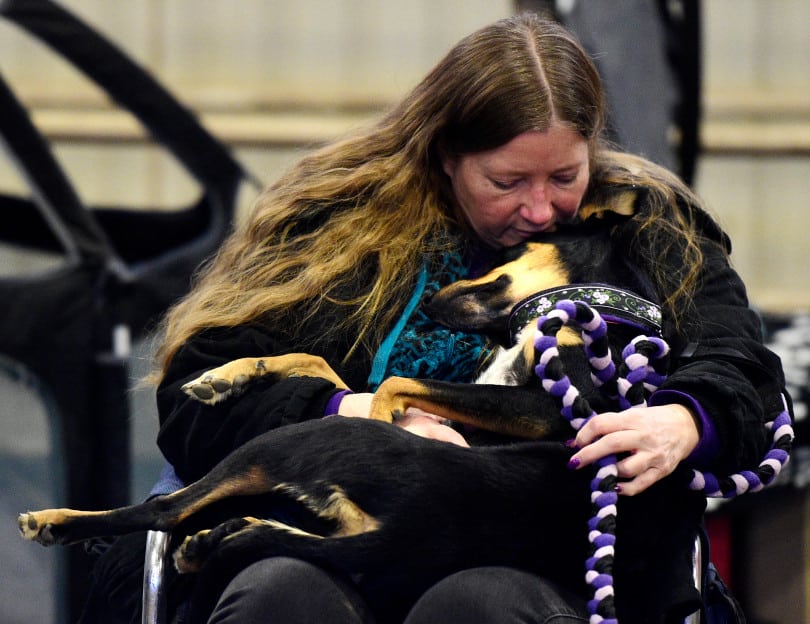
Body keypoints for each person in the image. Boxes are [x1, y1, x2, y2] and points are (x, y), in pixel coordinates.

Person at [79, 12, 790, 624]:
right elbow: (205, 387)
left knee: (478, 605)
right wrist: (358, 414)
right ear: (448, 155)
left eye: (565, 177)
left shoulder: (648, 227)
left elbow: (741, 365)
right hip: (326, 539)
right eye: (506, 182)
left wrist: (685, 419)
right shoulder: (336, 224)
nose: (540, 209)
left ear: (592, 152)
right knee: (280, 597)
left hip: (541, 553)